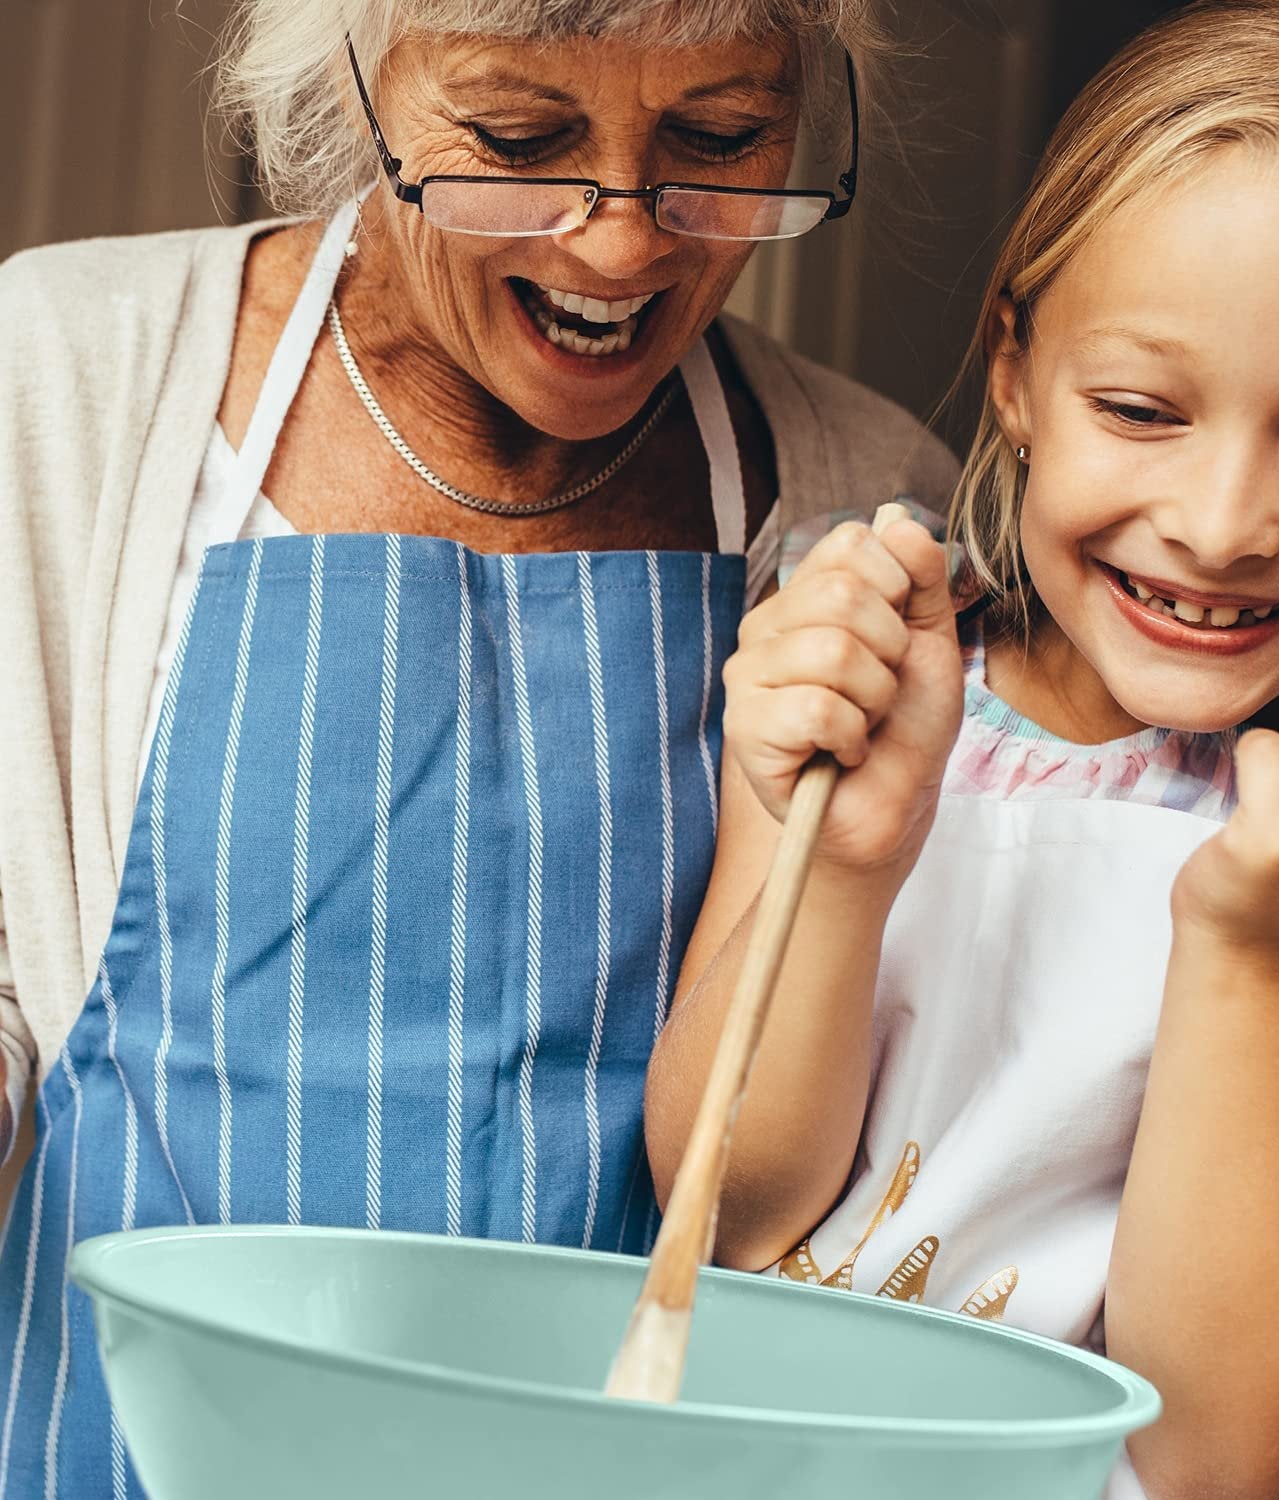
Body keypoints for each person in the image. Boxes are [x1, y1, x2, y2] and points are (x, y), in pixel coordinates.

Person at [0, 0, 959, 1491]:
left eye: (718, 141)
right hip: (114, 1447)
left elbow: (905, 1120)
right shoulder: (56, 380)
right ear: (356, 89)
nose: (619, 244)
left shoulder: (866, 495)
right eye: (519, 141)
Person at [644, 3, 1279, 1497]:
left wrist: (1259, 945)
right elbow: (725, 1214)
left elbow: (1221, 1445)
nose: (1222, 524)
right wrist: (843, 865)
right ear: (1018, 371)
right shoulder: (861, 675)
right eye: (1139, 409)